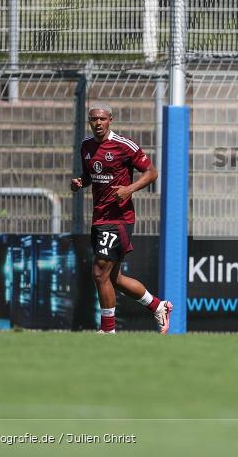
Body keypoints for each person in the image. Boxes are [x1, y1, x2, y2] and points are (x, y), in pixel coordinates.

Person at [70, 104, 171, 334]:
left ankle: (107, 330)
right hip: (99, 217)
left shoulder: (124, 146)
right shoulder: (86, 146)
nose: (98, 123)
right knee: (113, 278)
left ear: (110, 120)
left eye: (102, 119)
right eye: (93, 119)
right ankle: (158, 306)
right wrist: (80, 182)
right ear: (89, 122)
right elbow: (91, 175)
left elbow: (152, 172)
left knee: (99, 272)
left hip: (119, 218)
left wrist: (129, 189)